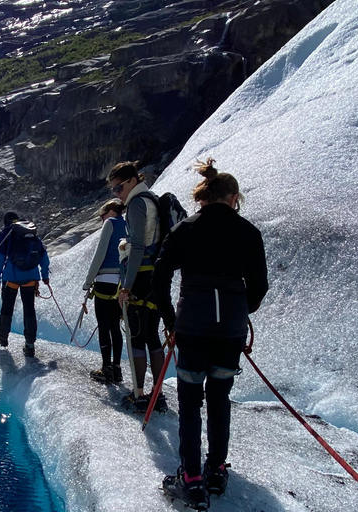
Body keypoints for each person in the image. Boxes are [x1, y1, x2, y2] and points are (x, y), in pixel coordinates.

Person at [153, 158, 269, 509]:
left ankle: (190, 477)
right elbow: (259, 286)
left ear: (205, 196)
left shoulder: (186, 228)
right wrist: (239, 311)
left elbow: (161, 273)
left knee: (190, 399)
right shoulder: (248, 232)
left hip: (193, 325)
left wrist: (170, 318)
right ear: (233, 197)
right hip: (229, 329)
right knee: (220, 396)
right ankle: (216, 468)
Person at [107, 162, 167, 413]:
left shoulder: (137, 203)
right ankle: (157, 394)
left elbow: (139, 246)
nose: (117, 193)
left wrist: (126, 287)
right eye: (113, 190)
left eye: (118, 187)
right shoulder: (152, 199)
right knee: (153, 335)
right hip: (156, 275)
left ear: (132, 181)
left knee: (136, 337)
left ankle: (139, 393)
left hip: (140, 276)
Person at [0, 211, 50, 358]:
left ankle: (3, 337)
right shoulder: (30, 232)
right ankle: (30, 345)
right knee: (29, 309)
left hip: (11, 277)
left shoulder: (7, 233)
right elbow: (43, 256)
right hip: (30, 277)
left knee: (7, 307)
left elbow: (0, 259)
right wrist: (45, 277)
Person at [82, 199, 127, 384]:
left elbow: (100, 254)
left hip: (104, 281)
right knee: (115, 326)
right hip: (121, 282)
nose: (102, 218)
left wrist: (88, 281)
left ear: (110, 212)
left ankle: (106, 368)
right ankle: (117, 369)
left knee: (104, 326)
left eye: (103, 215)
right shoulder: (129, 223)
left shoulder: (110, 223)